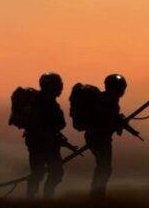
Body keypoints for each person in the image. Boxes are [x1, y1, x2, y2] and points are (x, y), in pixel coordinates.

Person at [69, 73, 140, 200]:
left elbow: (109, 119)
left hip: (99, 136)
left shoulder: (108, 100)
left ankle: (97, 193)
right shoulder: (106, 101)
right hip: (97, 137)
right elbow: (104, 119)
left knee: (104, 166)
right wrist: (118, 123)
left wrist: (122, 125)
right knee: (104, 167)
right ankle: (97, 195)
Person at [11, 71, 69, 199]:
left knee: (55, 172)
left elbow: (58, 124)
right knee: (39, 173)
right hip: (38, 143)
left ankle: (45, 196)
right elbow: (50, 124)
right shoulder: (41, 104)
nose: (61, 88)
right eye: (58, 85)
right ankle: (32, 197)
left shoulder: (51, 103)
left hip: (47, 143)